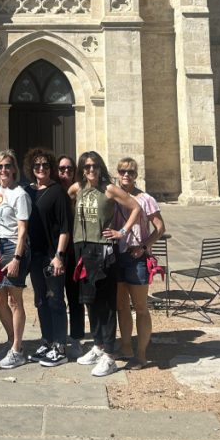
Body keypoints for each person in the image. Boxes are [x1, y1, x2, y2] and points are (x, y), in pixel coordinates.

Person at [68, 151, 141, 376]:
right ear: (82, 169)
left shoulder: (108, 189)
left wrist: (121, 231)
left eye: (95, 166)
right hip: (81, 247)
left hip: (102, 248)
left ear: (100, 168)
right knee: (90, 301)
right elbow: (68, 199)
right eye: (87, 166)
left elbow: (136, 207)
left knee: (106, 303)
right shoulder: (77, 188)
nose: (91, 170)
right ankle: (98, 346)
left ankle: (110, 354)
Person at [110, 157, 165, 367]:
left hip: (136, 257)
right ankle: (125, 347)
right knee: (121, 306)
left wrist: (143, 247)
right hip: (117, 256)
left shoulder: (145, 199)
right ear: (117, 173)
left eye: (131, 172)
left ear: (136, 175)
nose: (126, 175)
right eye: (123, 171)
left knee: (140, 307)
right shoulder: (113, 196)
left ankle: (141, 355)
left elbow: (160, 228)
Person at [24, 147, 72, 367]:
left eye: (45, 165)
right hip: (35, 255)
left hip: (52, 256)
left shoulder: (57, 192)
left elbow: (64, 227)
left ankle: (60, 346)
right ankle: (47, 340)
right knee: (41, 299)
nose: (41, 168)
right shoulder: (29, 191)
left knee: (55, 300)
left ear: (51, 168)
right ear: (31, 168)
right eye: (37, 165)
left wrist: (59, 256)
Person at [0, 149, 31, 369]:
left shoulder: (20, 194)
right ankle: (11, 340)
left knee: (14, 301)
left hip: (13, 246)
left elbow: (23, 229)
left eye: (7, 166)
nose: (3, 170)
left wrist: (17, 257)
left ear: (14, 169)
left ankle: (17, 349)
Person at [56, 154, 84, 341]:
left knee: (75, 298)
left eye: (69, 169)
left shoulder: (81, 194)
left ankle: (76, 337)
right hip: (56, 254)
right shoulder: (52, 192)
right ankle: (56, 338)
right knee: (55, 299)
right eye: (62, 169)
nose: (66, 172)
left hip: (74, 253)